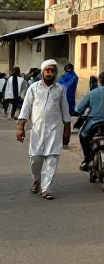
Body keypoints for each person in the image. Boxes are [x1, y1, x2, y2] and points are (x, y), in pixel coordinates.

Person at [16, 59, 72, 199]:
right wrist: (20, 128)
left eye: (53, 71)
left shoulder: (60, 89)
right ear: (42, 72)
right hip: (37, 129)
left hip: (55, 129)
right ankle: (37, 180)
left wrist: (67, 131)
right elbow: (25, 109)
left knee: (52, 158)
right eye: (48, 70)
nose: (50, 73)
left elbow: (66, 113)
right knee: (35, 159)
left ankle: (47, 189)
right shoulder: (33, 88)